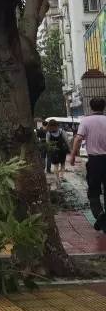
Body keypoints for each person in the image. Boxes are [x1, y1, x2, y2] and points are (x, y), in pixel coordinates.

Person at [70, 98, 106, 232]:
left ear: (91, 107)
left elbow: (78, 138)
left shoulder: (86, 120)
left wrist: (73, 155)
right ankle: (103, 220)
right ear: (104, 107)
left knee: (94, 192)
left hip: (95, 161)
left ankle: (101, 217)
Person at [46, 119, 69, 186]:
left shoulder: (48, 133)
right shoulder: (61, 131)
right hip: (62, 151)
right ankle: (61, 176)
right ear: (57, 125)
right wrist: (70, 149)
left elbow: (48, 144)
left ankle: (57, 179)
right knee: (62, 164)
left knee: (56, 166)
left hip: (54, 152)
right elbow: (67, 141)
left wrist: (49, 151)